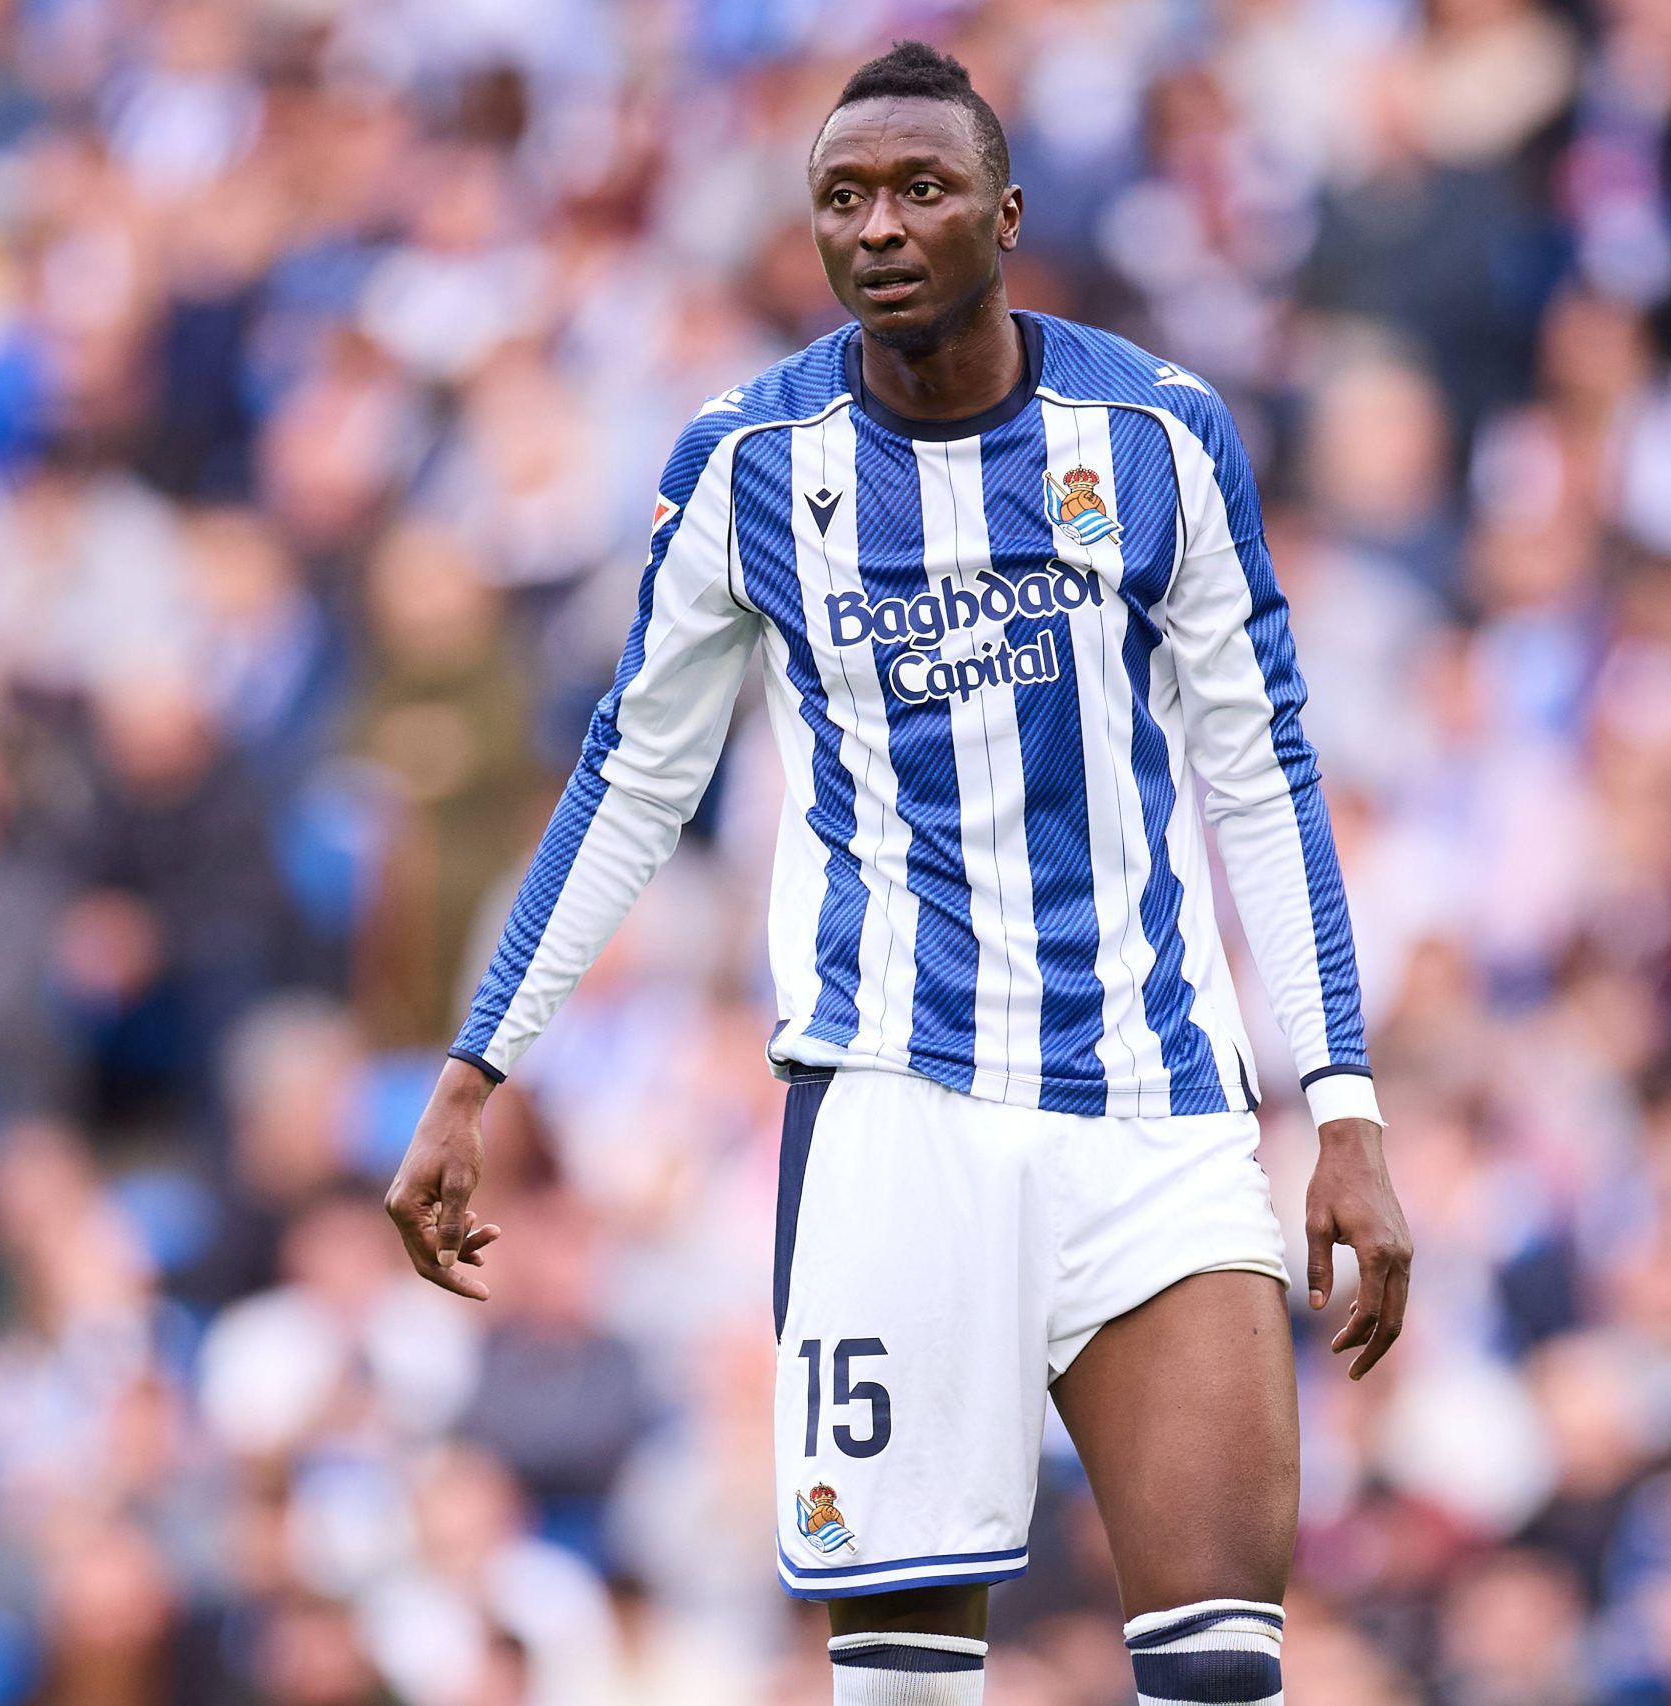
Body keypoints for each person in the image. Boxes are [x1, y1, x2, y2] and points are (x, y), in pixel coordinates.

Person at [384, 40, 1412, 1706]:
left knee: (1224, 1670)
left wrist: (1346, 1101)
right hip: (894, 1117)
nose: (878, 225)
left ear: (1006, 214)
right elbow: (632, 778)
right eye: (842, 198)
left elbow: (1260, 766)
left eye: (920, 188)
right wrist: (476, 1061)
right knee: (908, 1689)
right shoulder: (750, 465)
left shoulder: (1153, 435)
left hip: (1154, 1107)